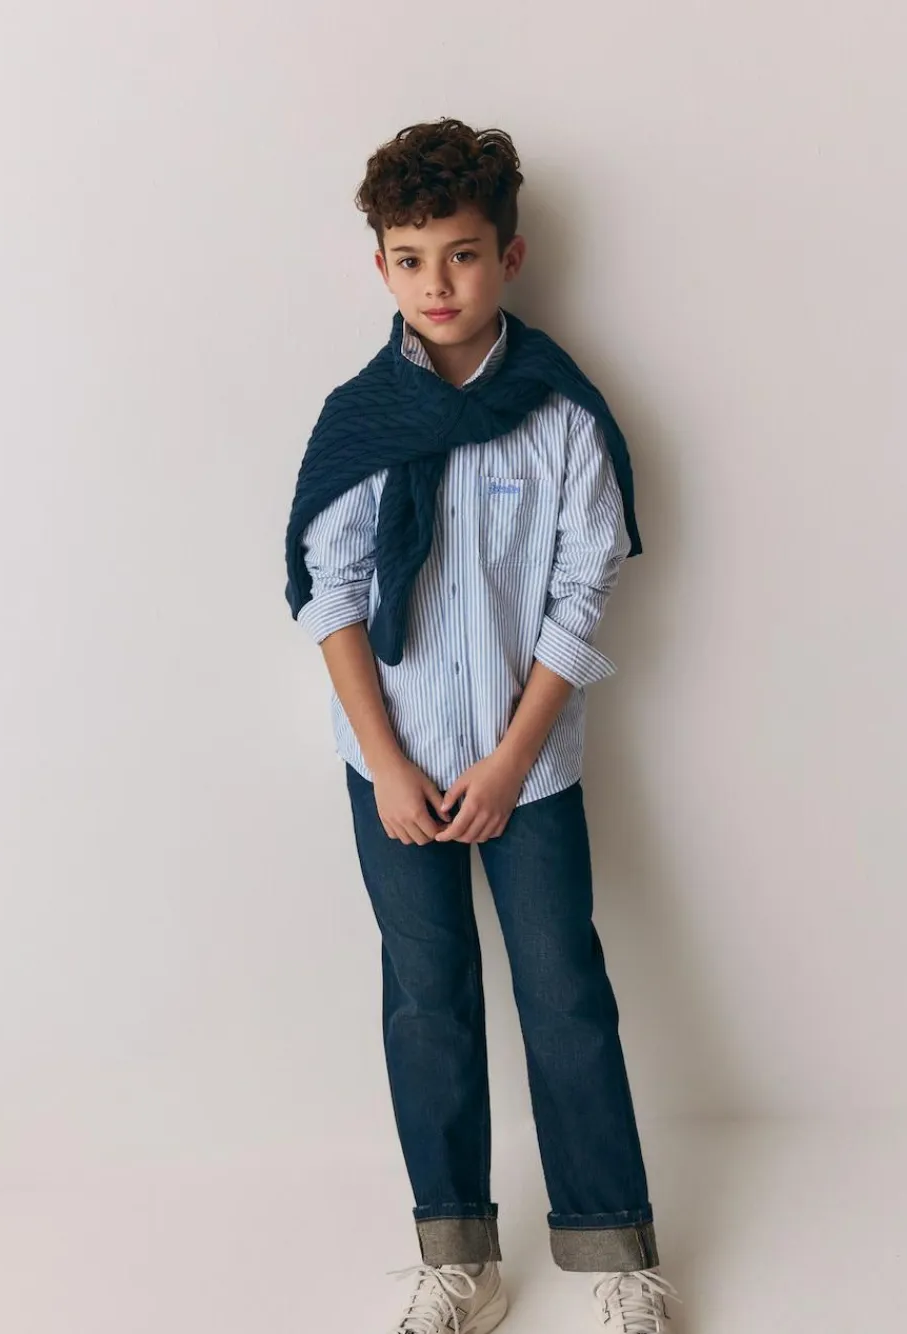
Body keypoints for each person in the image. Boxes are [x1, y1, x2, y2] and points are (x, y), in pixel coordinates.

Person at [284, 117, 682, 1334]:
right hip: (391, 765)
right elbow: (329, 592)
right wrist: (388, 765)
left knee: (564, 992)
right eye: (410, 259)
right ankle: (459, 1256)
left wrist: (511, 758)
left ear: (507, 254)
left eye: (460, 254)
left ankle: (616, 1252)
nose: (437, 284)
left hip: (531, 766)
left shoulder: (558, 413)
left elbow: (582, 589)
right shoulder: (358, 417)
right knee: (427, 997)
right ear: (381, 267)